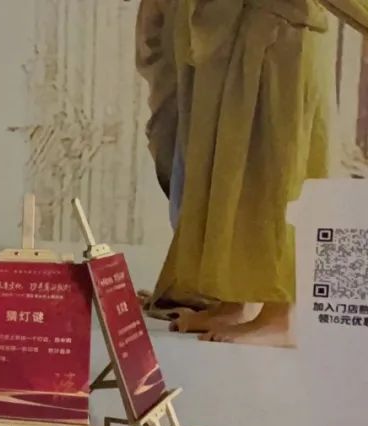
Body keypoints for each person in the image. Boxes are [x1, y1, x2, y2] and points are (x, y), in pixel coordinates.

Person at [137, 0, 368, 346]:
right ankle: (234, 303)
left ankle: (279, 317)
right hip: (241, 34)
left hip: (284, 42)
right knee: (236, 181)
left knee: (279, 179)